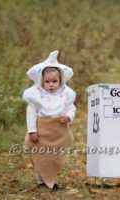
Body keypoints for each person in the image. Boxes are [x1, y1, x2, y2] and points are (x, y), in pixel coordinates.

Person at [22, 50, 76, 190]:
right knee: (40, 155)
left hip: (58, 132)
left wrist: (68, 116)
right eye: (47, 81)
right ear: (42, 81)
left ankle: (52, 180)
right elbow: (31, 112)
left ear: (60, 81)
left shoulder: (65, 95)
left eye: (54, 81)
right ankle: (41, 181)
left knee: (54, 156)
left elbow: (71, 108)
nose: (51, 84)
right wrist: (32, 130)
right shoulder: (37, 96)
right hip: (41, 132)